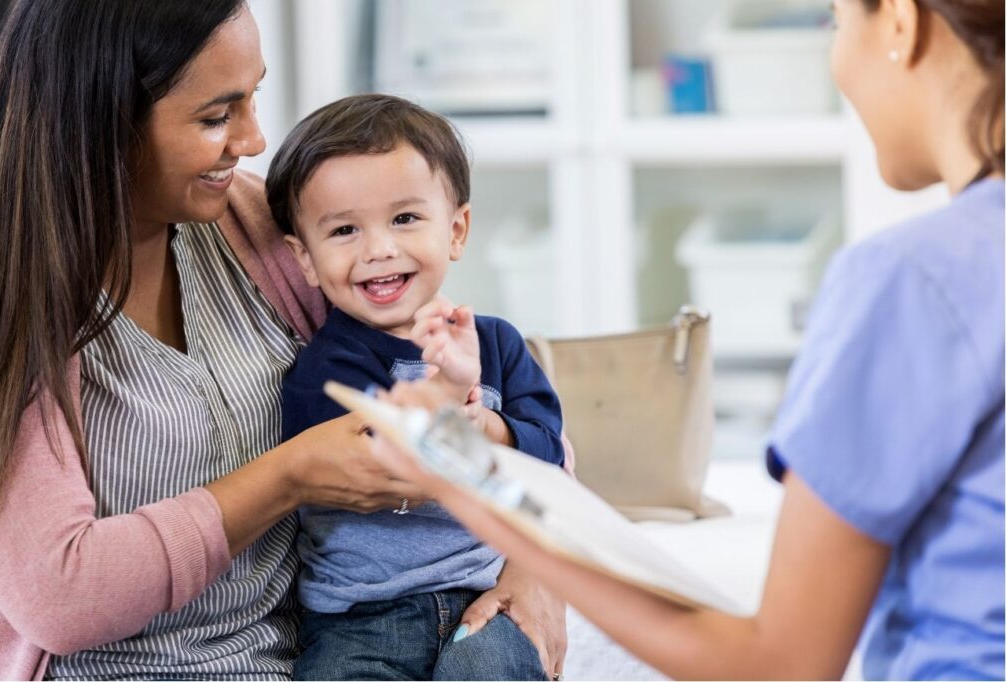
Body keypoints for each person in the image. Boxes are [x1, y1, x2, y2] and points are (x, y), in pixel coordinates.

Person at [370, 0, 1005, 679]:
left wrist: (472, 491)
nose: (837, 58)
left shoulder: (912, 279)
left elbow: (780, 665)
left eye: (837, 21)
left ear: (902, 23)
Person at [0, 2, 566, 680]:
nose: (254, 140)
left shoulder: (259, 226)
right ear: (102, 121)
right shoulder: (8, 300)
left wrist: (537, 575)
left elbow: (518, 416)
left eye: (253, 97)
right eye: (216, 116)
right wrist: (289, 475)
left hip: (301, 656)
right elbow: (61, 596)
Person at [264, 93, 565, 681]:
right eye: (345, 229)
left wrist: (490, 427)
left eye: (404, 219)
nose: (379, 249)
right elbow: (384, 468)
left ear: (457, 230)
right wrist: (449, 396)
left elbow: (549, 453)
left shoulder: (499, 344)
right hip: (359, 617)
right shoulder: (324, 367)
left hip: (486, 595)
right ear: (304, 259)